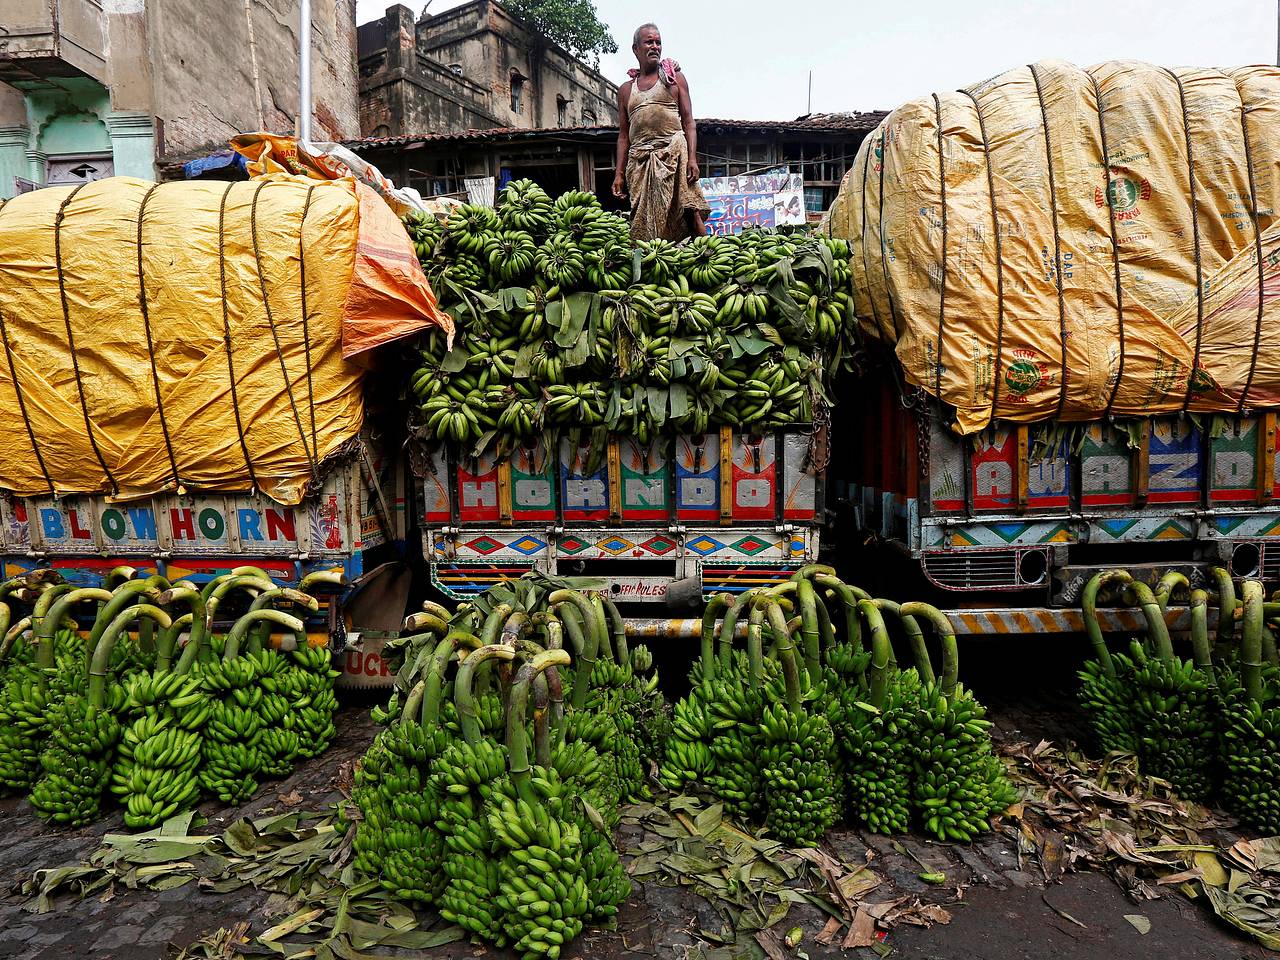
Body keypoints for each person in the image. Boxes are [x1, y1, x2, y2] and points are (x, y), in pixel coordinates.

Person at [612, 23, 710, 242]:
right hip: (641, 160)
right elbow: (624, 136)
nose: (655, 46)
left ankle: (710, 258)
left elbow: (688, 122)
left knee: (690, 210)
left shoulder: (673, 79)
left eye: (658, 42)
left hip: (674, 152)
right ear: (636, 48)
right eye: (649, 42)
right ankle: (653, 263)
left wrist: (692, 158)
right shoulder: (626, 90)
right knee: (644, 220)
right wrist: (618, 174)